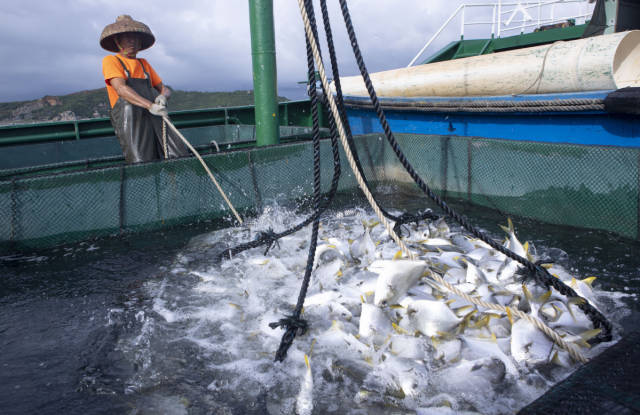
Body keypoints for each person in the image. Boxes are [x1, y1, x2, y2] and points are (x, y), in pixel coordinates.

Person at [100, 15, 188, 163]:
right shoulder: (111, 61)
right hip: (133, 122)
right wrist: (150, 105)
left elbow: (164, 89)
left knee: (178, 154)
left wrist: (163, 97)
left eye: (135, 38)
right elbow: (121, 89)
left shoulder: (144, 64)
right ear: (117, 41)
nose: (132, 41)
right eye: (127, 38)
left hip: (155, 117)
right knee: (142, 162)